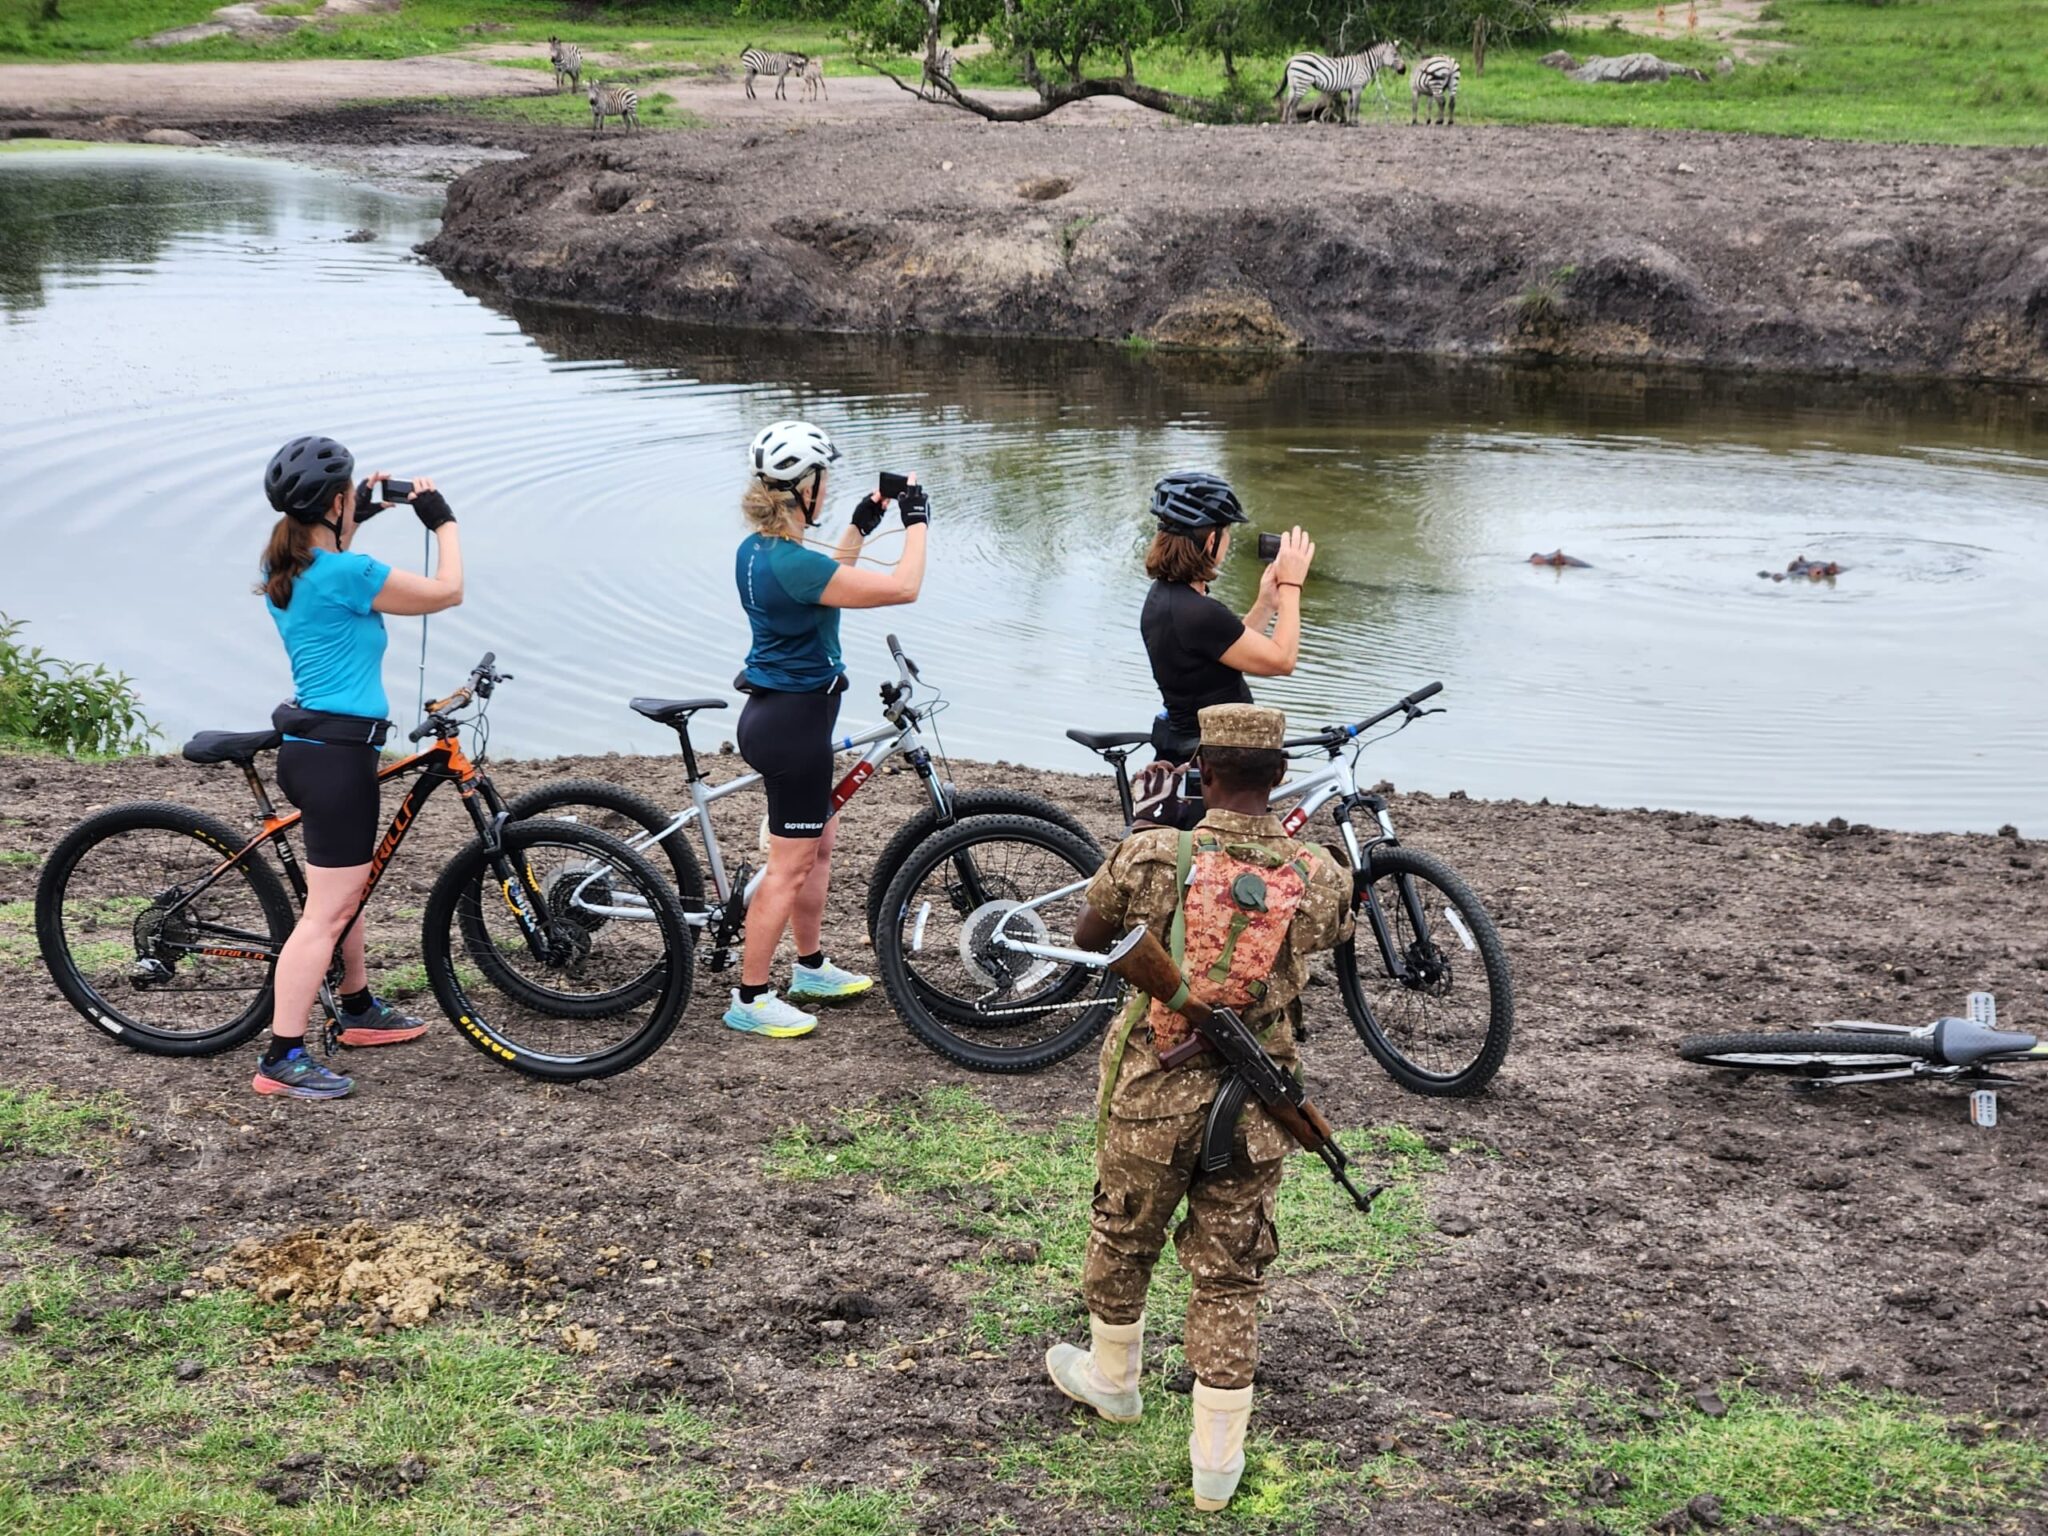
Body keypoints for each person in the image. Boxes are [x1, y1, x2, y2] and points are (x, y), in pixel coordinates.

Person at [1047, 703, 1353, 1512]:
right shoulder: (1319, 873)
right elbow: (1327, 934)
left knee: (1123, 1231)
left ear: (1202, 771)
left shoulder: (1150, 852)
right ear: (1281, 777)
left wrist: (1149, 828)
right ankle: (1217, 1465)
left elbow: (1089, 936)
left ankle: (1113, 1379)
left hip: (1152, 1090)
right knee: (1230, 1275)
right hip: (1256, 1101)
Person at [251, 435, 466, 1100]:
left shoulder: (287, 562)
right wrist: (443, 520)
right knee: (327, 911)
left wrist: (360, 512)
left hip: (317, 750)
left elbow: (328, 557)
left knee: (345, 890)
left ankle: (359, 1006)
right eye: (348, 501)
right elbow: (447, 591)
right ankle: (282, 1057)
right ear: (335, 503)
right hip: (337, 758)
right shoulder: (347, 573)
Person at [726, 419, 929, 1039]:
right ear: (804, 487)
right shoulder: (792, 564)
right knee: (789, 867)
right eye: (825, 478)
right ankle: (750, 998)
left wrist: (861, 527)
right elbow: (905, 586)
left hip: (785, 718)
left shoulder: (761, 551)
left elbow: (827, 585)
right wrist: (917, 519)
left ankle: (809, 967)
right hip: (791, 731)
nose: (831, 485)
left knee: (817, 849)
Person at [1140, 472, 1315, 764]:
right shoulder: (1197, 612)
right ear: (1211, 541)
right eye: (1227, 532)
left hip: (1194, 748)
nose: (1228, 540)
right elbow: (1282, 661)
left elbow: (1226, 650)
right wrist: (1291, 586)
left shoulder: (1166, 597)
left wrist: (1265, 604)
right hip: (1217, 762)